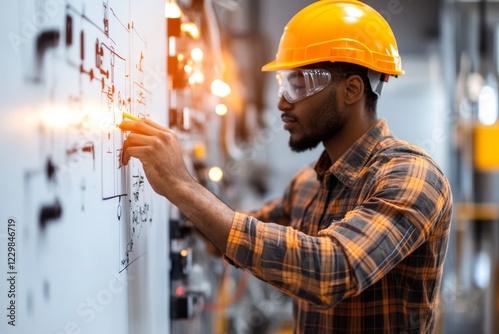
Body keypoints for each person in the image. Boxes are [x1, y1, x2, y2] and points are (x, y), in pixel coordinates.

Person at [121, 0, 453, 332]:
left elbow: (331, 271)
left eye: (298, 84)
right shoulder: (308, 183)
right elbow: (231, 233)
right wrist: (182, 189)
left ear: (351, 90)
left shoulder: (413, 178)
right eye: (283, 83)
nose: (282, 101)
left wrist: (184, 186)